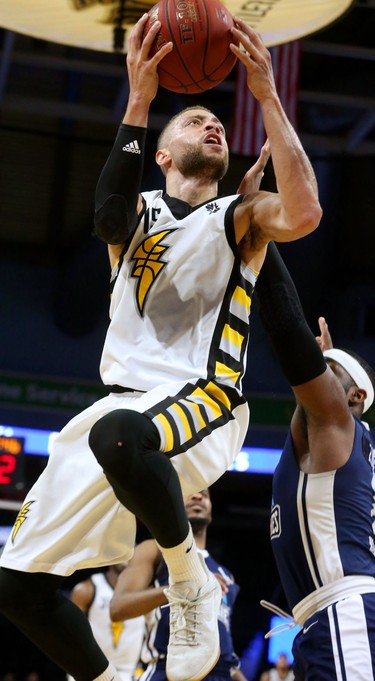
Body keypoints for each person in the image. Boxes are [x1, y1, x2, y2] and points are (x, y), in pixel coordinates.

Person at [0, 13, 322, 681]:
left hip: (202, 396)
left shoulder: (239, 214)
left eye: (216, 123)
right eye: (192, 122)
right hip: (114, 413)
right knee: (16, 588)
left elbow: (303, 213)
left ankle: (189, 580)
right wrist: (140, 101)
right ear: (163, 152)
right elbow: (107, 216)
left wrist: (264, 96)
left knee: (121, 433)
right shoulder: (137, 211)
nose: (210, 125)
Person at [254, 242, 375, 680]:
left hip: (345, 607)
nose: (317, 374)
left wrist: (258, 235)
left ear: (355, 397)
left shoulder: (338, 425)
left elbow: (287, 332)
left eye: (329, 372)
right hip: (329, 614)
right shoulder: (339, 440)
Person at [110, 489, 248, 681]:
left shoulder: (226, 576)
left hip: (220, 674)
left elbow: (227, 652)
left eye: (205, 494)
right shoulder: (154, 549)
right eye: (189, 492)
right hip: (168, 669)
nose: (198, 496)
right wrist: (185, 587)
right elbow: (118, 607)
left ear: (211, 511)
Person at [66, 564, 145, 681]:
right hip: (92, 671)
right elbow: (69, 639)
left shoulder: (145, 590)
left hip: (131, 673)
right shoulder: (87, 589)